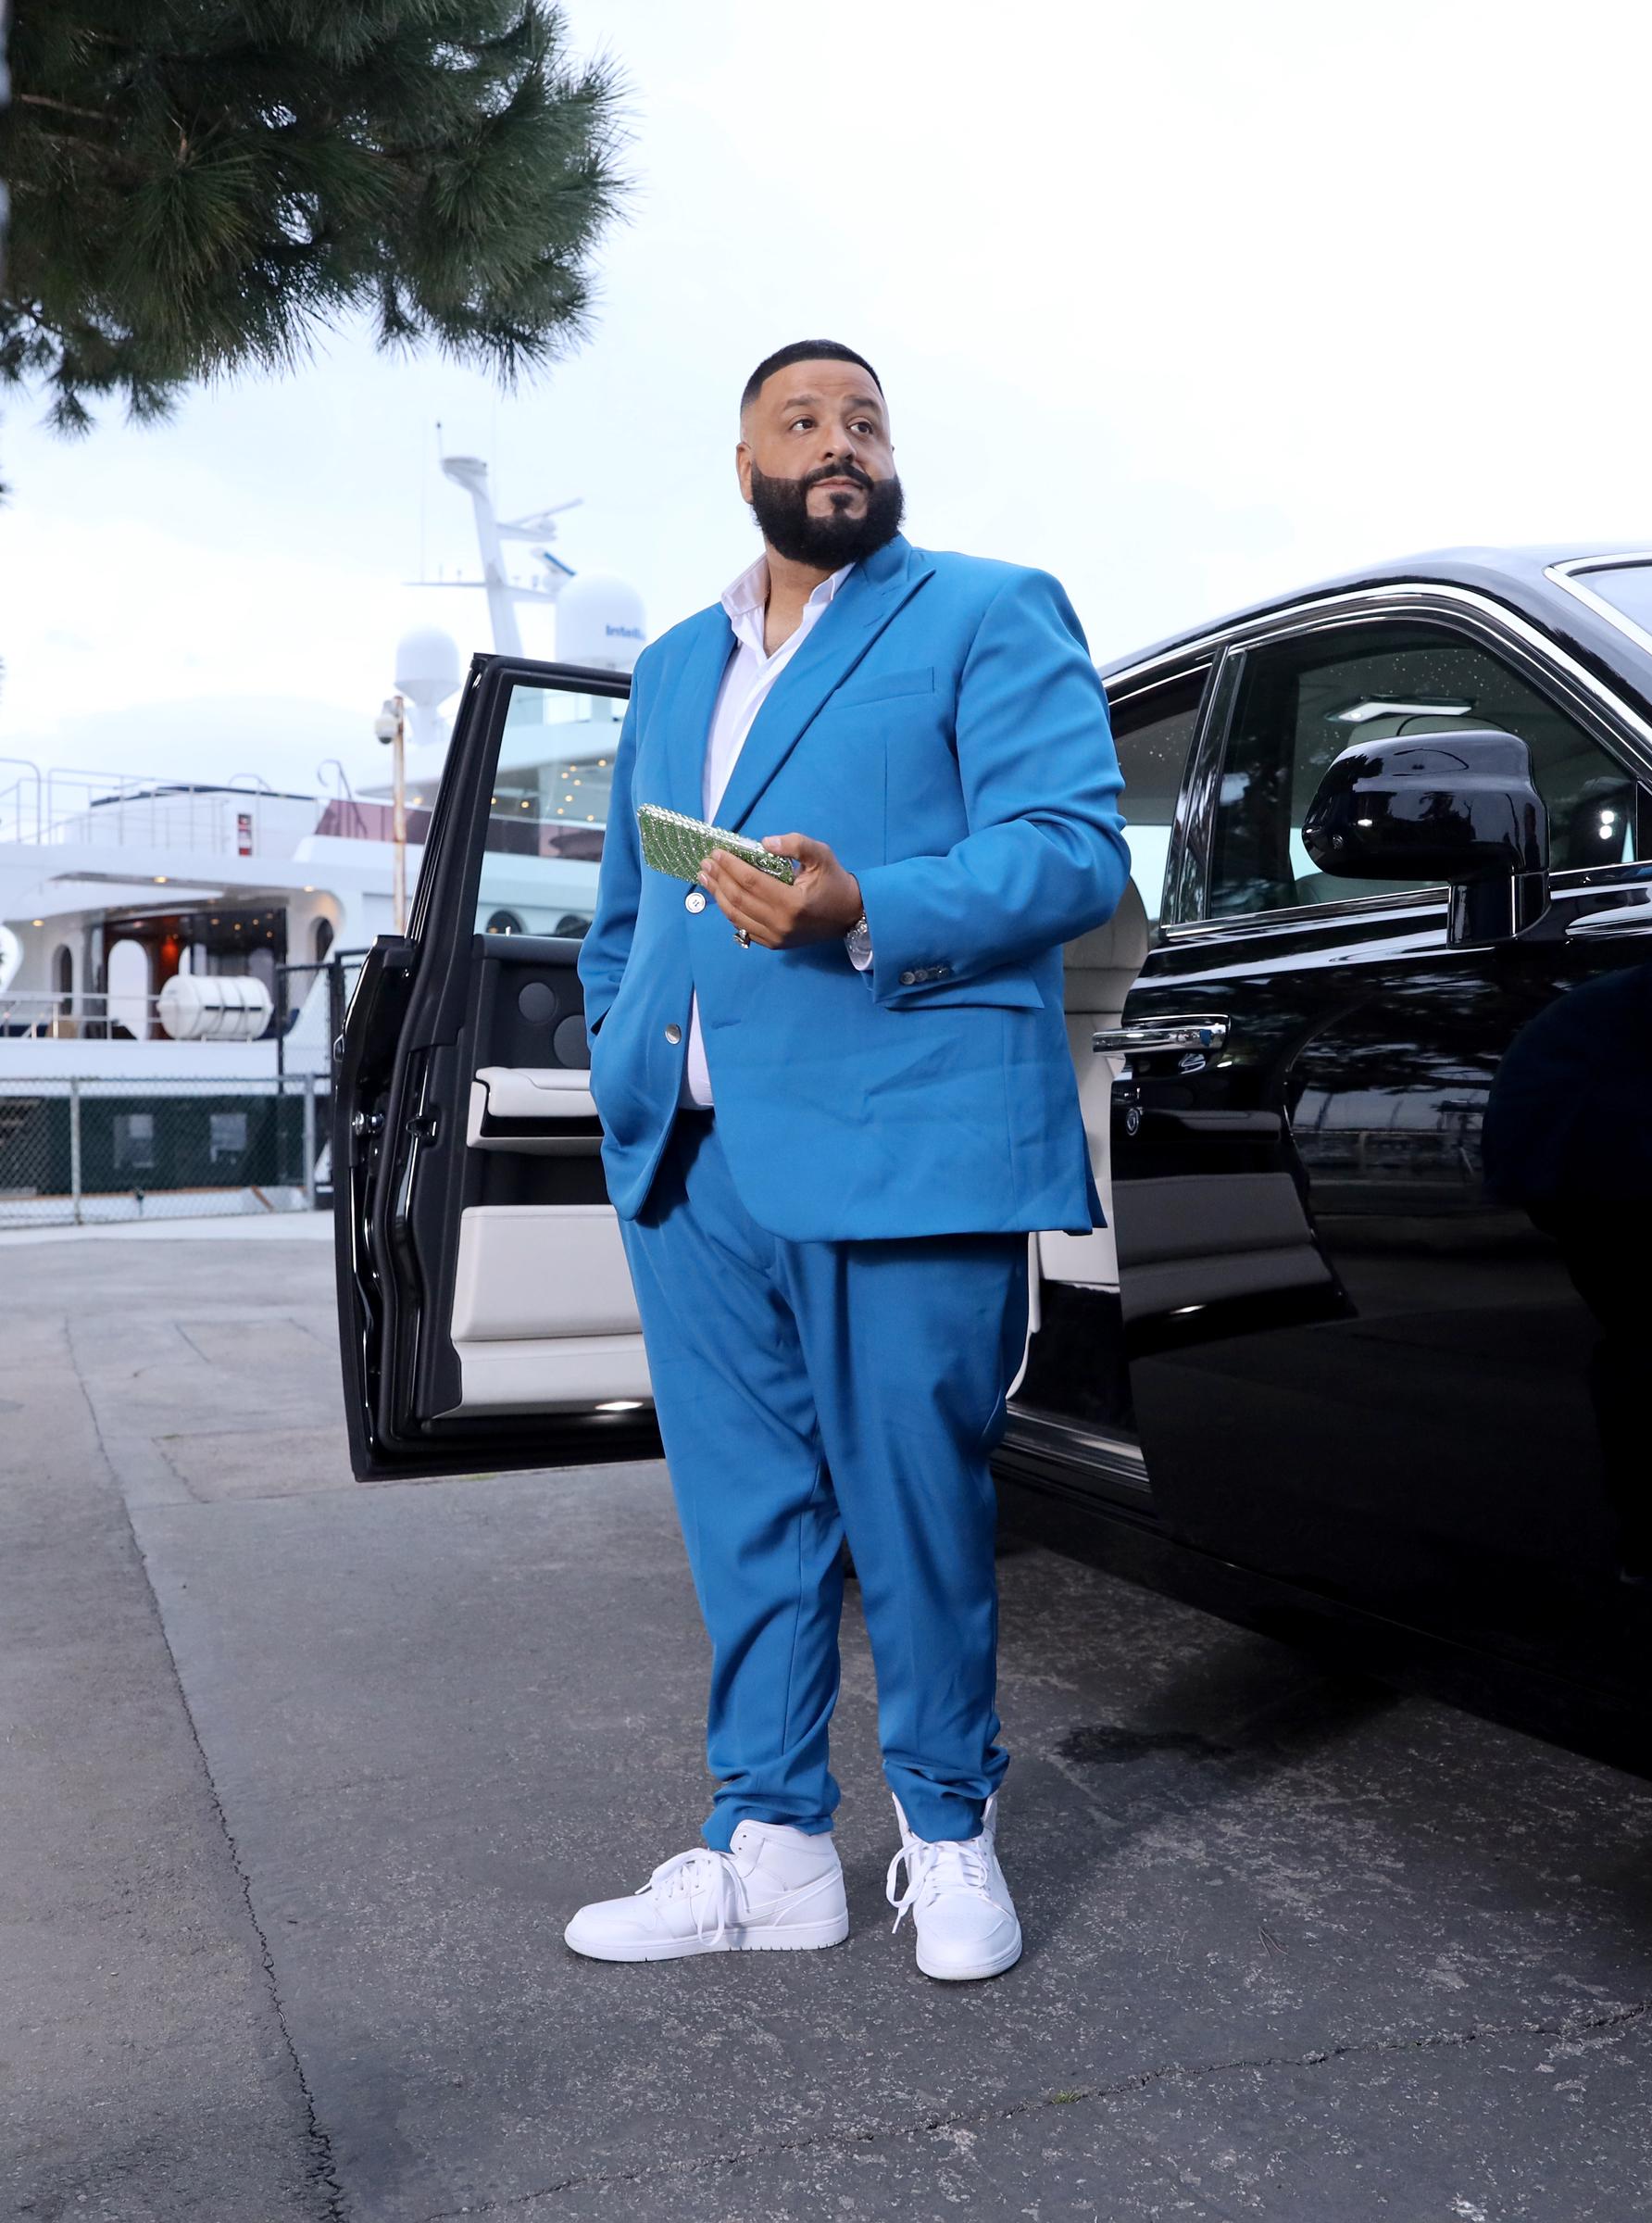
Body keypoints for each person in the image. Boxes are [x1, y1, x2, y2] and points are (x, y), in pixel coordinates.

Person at [569, 339, 1130, 1981]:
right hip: (692, 1154)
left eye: (865, 421)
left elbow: (1072, 850)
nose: (840, 442)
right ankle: (772, 1849)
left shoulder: (984, 607)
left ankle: (949, 1837)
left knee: (914, 1509)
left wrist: (863, 901)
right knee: (746, 1517)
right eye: (801, 421)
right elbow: (628, 908)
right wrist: (619, 1051)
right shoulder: (676, 666)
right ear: (741, 461)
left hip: (901, 1137)